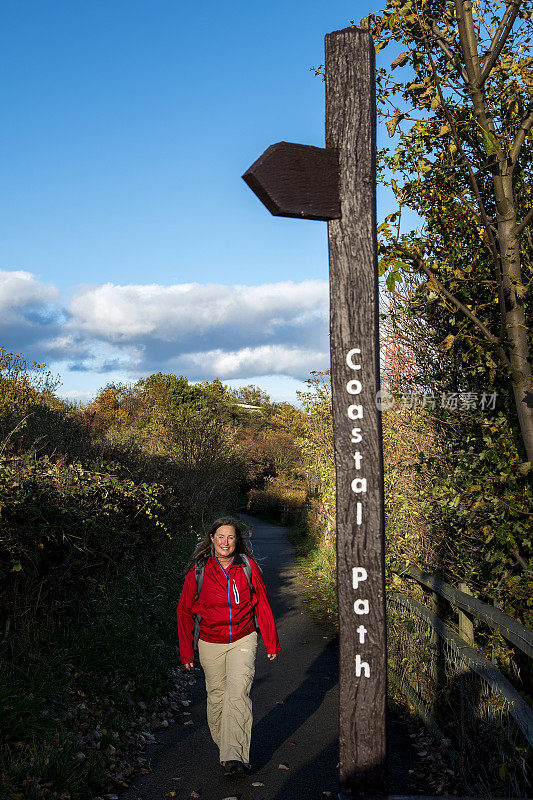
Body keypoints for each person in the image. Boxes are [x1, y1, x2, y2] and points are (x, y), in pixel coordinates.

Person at [176, 516, 281, 777]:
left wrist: (271, 640)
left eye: (231, 537)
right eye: (220, 537)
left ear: (237, 541)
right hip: (210, 642)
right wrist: (187, 650)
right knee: (217, 698)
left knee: (239, 693)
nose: (225, 542)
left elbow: (262, 604)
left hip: (243, 639)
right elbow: (184, 611)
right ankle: (227, 746)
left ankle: (234, 756)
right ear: (211, 539)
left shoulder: (247, 567)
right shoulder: (198, 570)